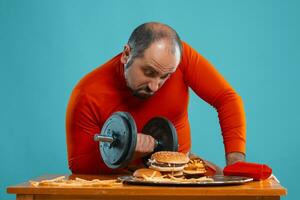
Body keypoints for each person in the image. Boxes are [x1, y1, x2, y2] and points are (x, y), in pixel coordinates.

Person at [66, 22, 246, 174]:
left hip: (180, 171)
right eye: (149, 72)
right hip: (121, 179)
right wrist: (129, 151)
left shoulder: (179, 58)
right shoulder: (87, 93)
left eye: (165, 76)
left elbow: (227, 99)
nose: (155, 86)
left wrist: (236, 163)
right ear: (126, 54)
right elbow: (79, 165)